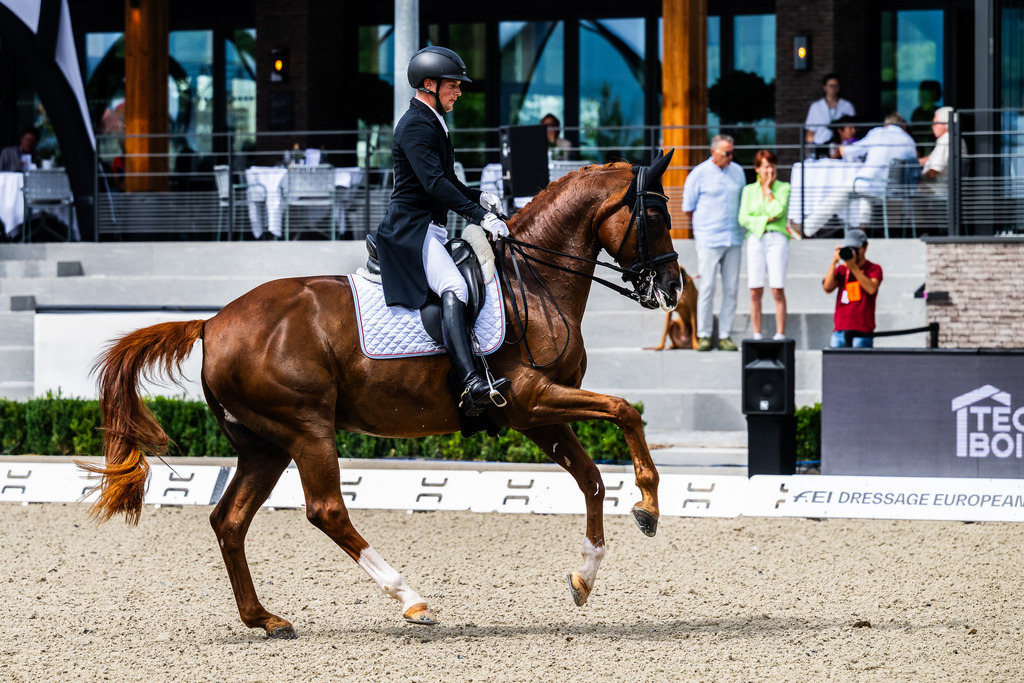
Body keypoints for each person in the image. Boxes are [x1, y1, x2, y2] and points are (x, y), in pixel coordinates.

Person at [376, 46, 510, 417]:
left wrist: (479, 197)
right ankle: (471, 382)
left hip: (429, 227)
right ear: (429, 84)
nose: (459, 92)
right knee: (455, 287)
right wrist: (478, 218)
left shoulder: (432, 120)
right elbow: (435, 184)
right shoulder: (417, 125)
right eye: (453, 85)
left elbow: (447, 181)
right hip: (411, 230)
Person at [802, 112, 918, 236]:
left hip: (871, 183)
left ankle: (808, 229)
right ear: (903, 127)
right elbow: (914, 170)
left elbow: (854, 150)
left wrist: (844, 149)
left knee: (841, 193)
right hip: (895, 190)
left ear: (886, 126)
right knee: (865, 193)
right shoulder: (909, 141)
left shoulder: (879, 133)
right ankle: (861, 230)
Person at [682, 134, 746, 351]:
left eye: (731, 152)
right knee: (707, 286)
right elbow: (688, 208)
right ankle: (705, 334)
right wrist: (703, 229)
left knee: (731, 289)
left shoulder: (738, 171)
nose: (729, 157)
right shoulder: (699, 174)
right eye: (725, 153)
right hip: (709, 239)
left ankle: (726, 335)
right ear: (713, 152)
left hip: (734, 238)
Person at [738, 150, 791, 340]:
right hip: (756, 239)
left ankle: (780, 334)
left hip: (777, 239)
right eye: (766, 166)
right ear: (758, 168)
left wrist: (768, 191)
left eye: (772, 166)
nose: (770, 170)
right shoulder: (748, 190)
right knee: (755, 289)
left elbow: (778, 211)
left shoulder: (783, 188)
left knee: (777, 288)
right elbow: (743, 218)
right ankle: (757, 333)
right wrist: (764, 220)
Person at [823, 228, 882, 348]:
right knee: (836, 365)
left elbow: (871, 288)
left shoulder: (874, 269)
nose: (852, 252)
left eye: (855, 248)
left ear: (865, 247)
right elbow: (827, 288)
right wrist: (834, 262)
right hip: (839, 330)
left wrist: (854, 268)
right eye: (849, 249)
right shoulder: (842, 269)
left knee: (860, 366)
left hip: (862, 331)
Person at [919, 106, 967, 193]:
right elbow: (933, 158)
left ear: (946, 124)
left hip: (935, 192)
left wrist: (915, 179)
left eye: (936, 123)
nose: (933, 126)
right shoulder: (953, 138)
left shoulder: (947, 140)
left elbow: (933, 173)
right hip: (941, 190)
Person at [805, 73, 856, 150]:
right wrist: (809, 150)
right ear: (824, 87)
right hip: (820, 145)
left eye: (836, 86)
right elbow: (810, 131)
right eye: (831, 86)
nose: (833, 89)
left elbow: (853, 128)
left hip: (841, 146)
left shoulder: (847, 106)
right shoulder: (816, 107)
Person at [911, 80, 943, 156]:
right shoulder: (917, 112)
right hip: (920, 147)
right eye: (920, 92)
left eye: (924, 92)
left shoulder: (937, 112)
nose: (920, 96)